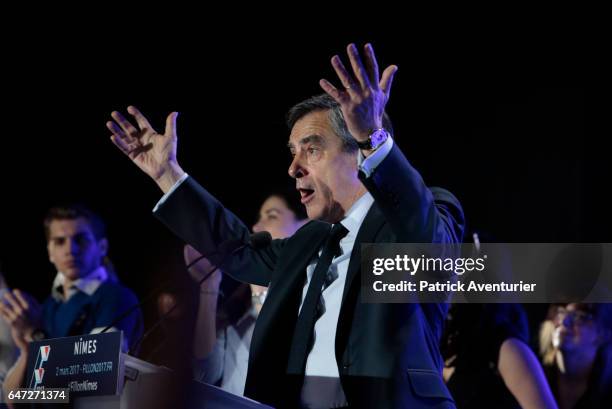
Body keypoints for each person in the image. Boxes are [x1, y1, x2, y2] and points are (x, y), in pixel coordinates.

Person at [107, 43, 464, 408]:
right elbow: (238, 250)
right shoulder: (309, 240)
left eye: (311, 149)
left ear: (357, 151)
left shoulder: (423, 214)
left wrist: (373, 137)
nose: (293, 168)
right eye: (292, 152)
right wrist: (168, 175)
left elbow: (432, 247)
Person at [0, 205, 143, 400]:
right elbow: (13, 398)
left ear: (102, 247)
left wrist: (34, 334)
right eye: (59, 241)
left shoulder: (116, 298)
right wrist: (27, 349)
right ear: (49, 251)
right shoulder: (48, 306)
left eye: (80, 239)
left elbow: (93, 383)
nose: (70, 249)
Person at [188, 193, 307, 395]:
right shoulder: (234, 314)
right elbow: (204, 375)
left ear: (304, 227)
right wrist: (209, 286)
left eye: (271, 215)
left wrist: (260, 292)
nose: (255, 227)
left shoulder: (310, 300)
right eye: (258, 218)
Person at [539, 303, 612, 409]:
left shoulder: (607, 389)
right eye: (561, 312)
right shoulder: (530, 368)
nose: (564, 321)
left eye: (580, 316)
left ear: (604, 333)